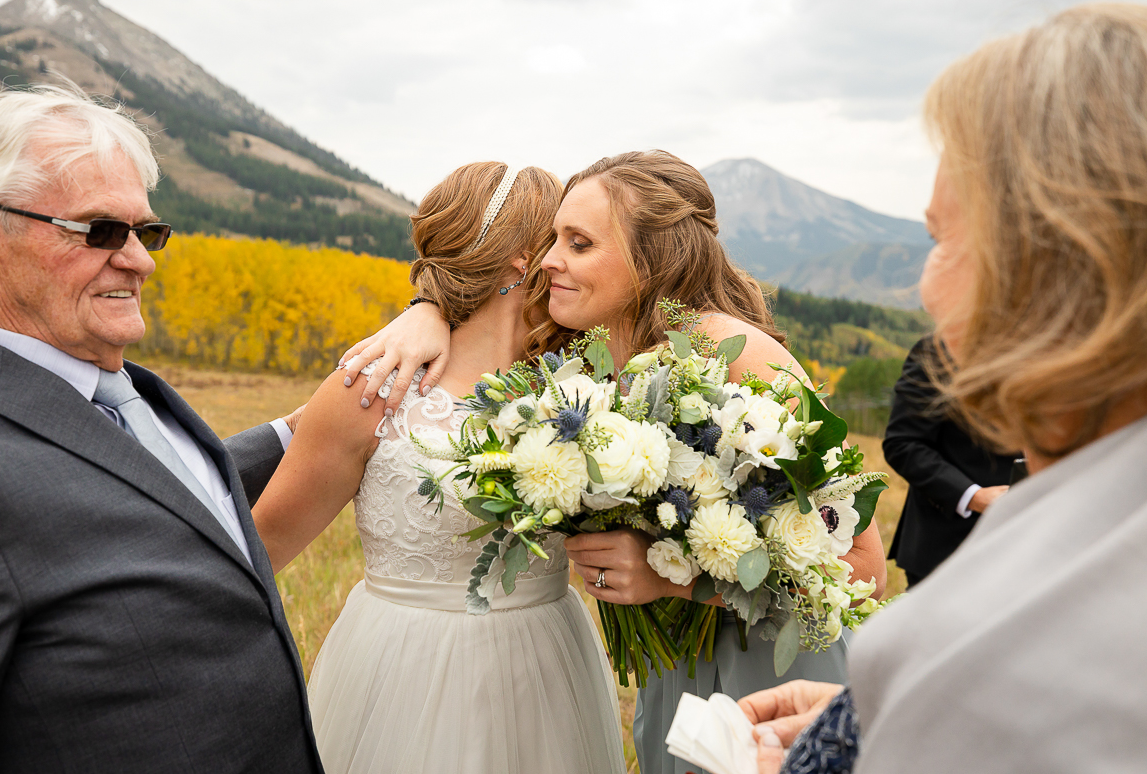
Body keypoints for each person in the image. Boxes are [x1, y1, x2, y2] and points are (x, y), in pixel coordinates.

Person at [339, 150, 886, 774]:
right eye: (552, 240)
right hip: (675, 673)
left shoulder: (739, 354)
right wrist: (424, 313)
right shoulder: (593, 369)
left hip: (774, 680)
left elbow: (866, 569)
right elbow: (486, 305)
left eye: (579, 243)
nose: (550, 260)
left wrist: (675, 578)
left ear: (651, 259)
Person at [739, 2, 1147, 774]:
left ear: (1053, 276)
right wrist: (864, 722)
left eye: (940, 239)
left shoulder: (1016, 657)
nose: (925, 290)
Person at [0, 84, 322, 773]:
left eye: (148, 232)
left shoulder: (120, 388)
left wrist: (303, 427)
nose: (140, 260)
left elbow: (145, 495)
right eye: (100, 231)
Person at [251, 162, 625, 774]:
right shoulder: (372, 389)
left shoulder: (585, 388)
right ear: (519, 259)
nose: (568, 257)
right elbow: (258, 554)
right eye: (560, 239)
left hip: (550, 664)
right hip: (403, 670)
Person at [883, 334, 1019, 585]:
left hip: (1026, 547)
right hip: (945, 549)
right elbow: (903, 444)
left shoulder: (1054, 352)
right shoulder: (939, 351)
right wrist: (974, 497)